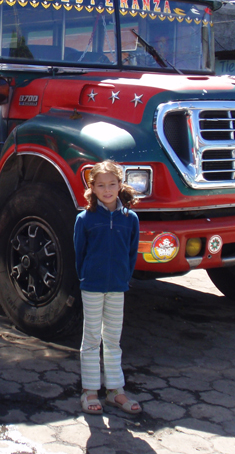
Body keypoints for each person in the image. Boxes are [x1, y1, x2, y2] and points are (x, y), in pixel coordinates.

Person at [74, 160, 141, 415]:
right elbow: (79, 251)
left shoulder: (130, 219)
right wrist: (85, 277)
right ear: (92, 188)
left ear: (120, 185)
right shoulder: (85, 218)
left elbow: (132, 252)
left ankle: (115, 391)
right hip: (91, 286)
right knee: (91, 338)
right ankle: (89, 391)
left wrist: (124, 277)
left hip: (117, 287)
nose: (107, 190)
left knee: (113, 339)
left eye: (112, 184)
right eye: (101, 185)